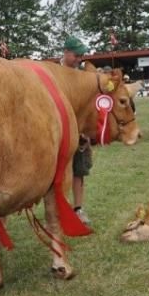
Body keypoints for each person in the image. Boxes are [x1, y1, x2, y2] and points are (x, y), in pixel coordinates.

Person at [61, 35, 92, 224]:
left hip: (79, 132)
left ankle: (78, 209)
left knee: (78, 170)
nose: (80, 59)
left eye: (82, 55)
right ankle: (60, 210)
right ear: (66, 52)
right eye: (77, 55)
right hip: (59, 133)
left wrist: (85, 131)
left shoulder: (81, 76)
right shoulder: (53, 73)